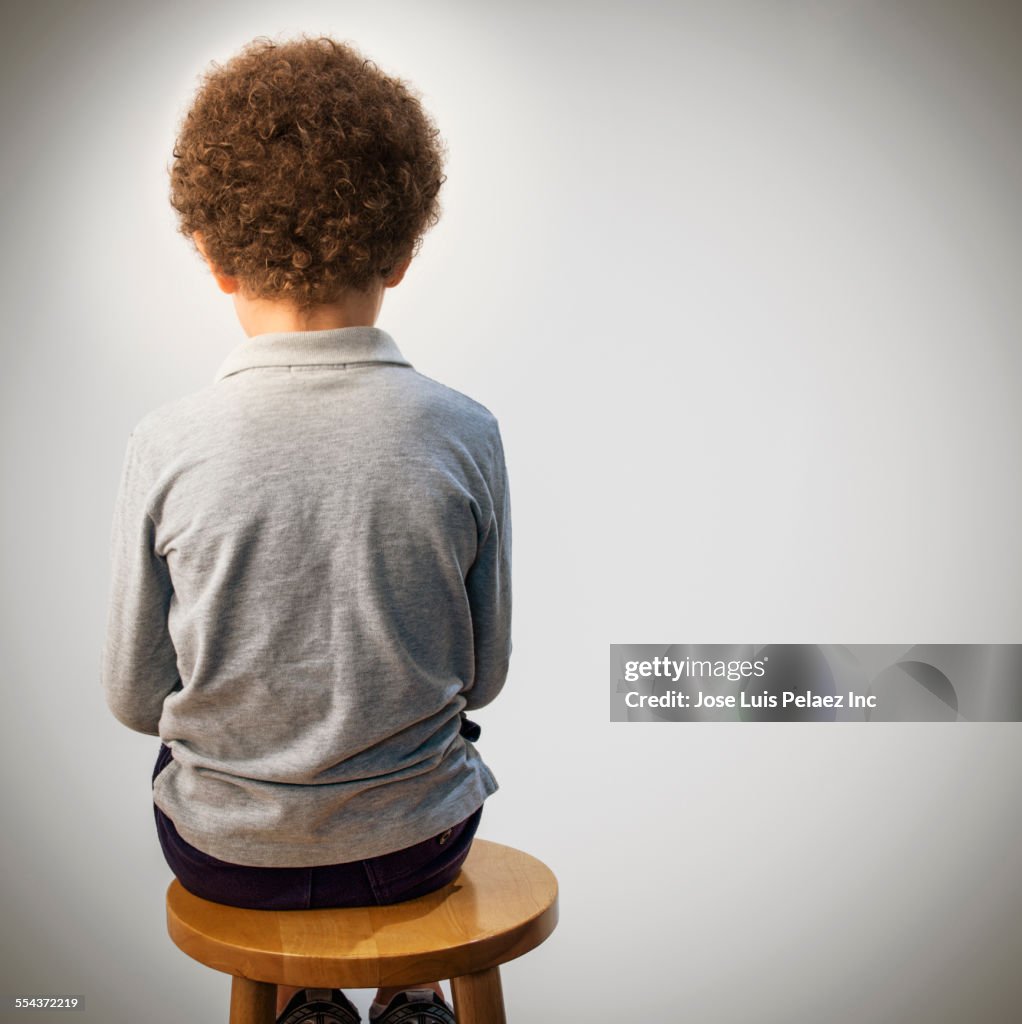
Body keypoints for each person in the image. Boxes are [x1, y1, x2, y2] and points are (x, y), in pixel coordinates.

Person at [100, 33, 511, 1024]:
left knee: (201, 756)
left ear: (211, 257)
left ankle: (304, 1000)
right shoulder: (463, 430)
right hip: (414, 848)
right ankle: (411, 994)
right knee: (433, 729)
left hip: (229, 854)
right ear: (405, 250)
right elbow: (483, 675)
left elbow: (133, 695)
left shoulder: (166, 444)